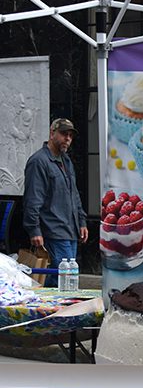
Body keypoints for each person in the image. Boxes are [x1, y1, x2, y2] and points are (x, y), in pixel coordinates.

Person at [22, 118, 88, 287]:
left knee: (66, 282)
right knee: (63, 283)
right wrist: (34, 230)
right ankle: (55, 313)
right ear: (52, 133)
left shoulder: (66, 161)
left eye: (71, 136)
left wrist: (81, 221)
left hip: (70, 231)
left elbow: (74, 195)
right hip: (52, 232)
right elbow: (32, 199)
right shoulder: (39, 161)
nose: (68, 139)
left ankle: (60, 312)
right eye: (64, 134)